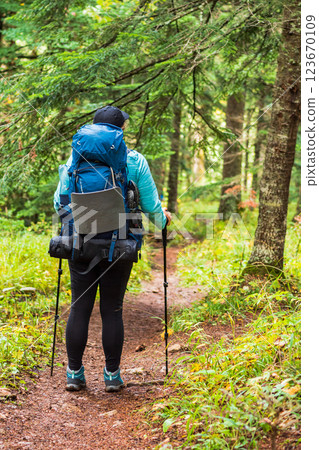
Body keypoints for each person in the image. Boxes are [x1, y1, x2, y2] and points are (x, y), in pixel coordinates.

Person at [54, 106, 171, 392]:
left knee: (79, 306)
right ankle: (111, 375)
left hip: (80, 240)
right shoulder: (134, 160)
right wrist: (163, 220)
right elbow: (151, 207)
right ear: (120, 131)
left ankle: (74, 373)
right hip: (121, 242)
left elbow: (60, 204)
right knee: (112, 309)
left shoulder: (74, 159)